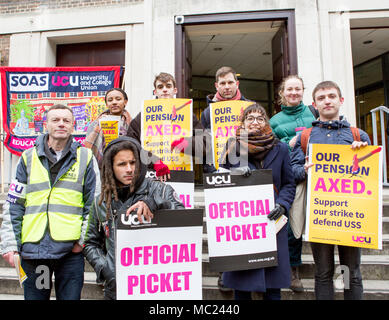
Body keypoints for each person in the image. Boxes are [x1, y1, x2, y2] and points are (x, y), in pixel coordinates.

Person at [0, 104, 100, 300]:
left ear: (74, 126)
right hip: (36, 254)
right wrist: (10, 244)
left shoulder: (86, 158)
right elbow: (13, 204)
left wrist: (81, 241)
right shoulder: (28, 158)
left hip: (69, 253)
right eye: (56, 120)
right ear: (46, 124)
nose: (61, 124)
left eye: (66, 121)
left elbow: (94, 204)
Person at [290, 80, 370, 300]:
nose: (327, 101)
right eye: (321, 98)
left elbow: (371, 175)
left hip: (351, 215)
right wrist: (304, 170)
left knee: (350, 273)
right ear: (314, 104)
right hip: (321, 215)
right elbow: (293, 171)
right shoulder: (305, 137)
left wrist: (362, 155)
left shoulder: (358, 136)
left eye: (331, 96)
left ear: (341, 100)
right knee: (323, 273)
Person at [83, 136, 185, 300]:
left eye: (133, 162)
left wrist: (155, 203)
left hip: (156, 286)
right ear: (110, 167)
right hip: (117, 289)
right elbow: (90, 242)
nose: (129, 169)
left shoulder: (160, 189)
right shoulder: (100, 202)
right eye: (122, 164)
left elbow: (183, 220)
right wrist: (105, 269)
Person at [219, 103, 296, 300]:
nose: (255, 122)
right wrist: (233, 174)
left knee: (272, 288)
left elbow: (288, 183)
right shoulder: (232, 147)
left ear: (266, 123)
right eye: (250, 118)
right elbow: (219, 181)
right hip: (243, 227)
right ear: (243, 123)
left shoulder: (281, 148)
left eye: (260, 118)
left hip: (272, 223)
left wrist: (282, 204)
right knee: (242, 287)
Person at [200, 66, 250, 291]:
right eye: (223, 83)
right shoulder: (208, 112)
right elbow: (205, 142)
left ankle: (244, 268)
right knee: (220, 225)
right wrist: (211, 168)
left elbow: (257, 136)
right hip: (217, 173)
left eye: (230, 82)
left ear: (236, 83)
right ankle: (225, 273)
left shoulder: (249, 107)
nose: (227, 87)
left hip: (244, 171)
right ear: (216, 86)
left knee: (241, 223)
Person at [269, 75, 316, 292]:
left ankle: (329, 270)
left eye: (298, 89)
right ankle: (293, 269)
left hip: (321, 178)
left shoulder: (314, 113)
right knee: (292, 228)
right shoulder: (275, 121)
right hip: (295, 178)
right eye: (289, 89)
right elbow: (273, 152)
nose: (294, 93)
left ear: (303, 91)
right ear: (282, 93)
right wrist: (289, 144)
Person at [127, 72, 209, 179]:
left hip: (181, 174)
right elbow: (131, 145)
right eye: (160, 87)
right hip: (151, 174)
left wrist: (185, 143)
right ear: (155, 92)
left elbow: (206, 144)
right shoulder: (142, 117)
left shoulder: (187, 115)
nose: (165, 89)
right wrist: (153, 161)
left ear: (175, 90)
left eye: (168, 86)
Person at [84, 88, 132, 168]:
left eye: (118, 99)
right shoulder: (95, 124)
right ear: (106, 104)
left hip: (125, 167)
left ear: (125, 102)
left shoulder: (132, 124)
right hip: (101, 169)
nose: (114, 102)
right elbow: (88, 149)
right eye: (110, 100)